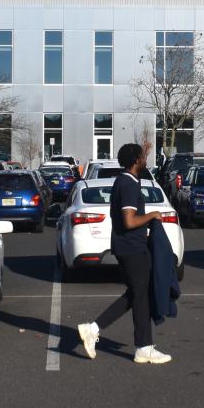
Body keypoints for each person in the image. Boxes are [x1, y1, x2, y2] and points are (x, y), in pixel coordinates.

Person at [77, 142, 171, 364]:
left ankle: (134, 343)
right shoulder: (127, 185)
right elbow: (129, 221)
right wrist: (153, 215)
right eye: (142, 157)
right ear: (135, 161)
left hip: (131, 246)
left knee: (138, 294)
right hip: (131, 248)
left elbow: (128, 219)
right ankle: (141, 346)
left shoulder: (126, 180)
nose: (145, 160)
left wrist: (145, 149)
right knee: (140, 294)